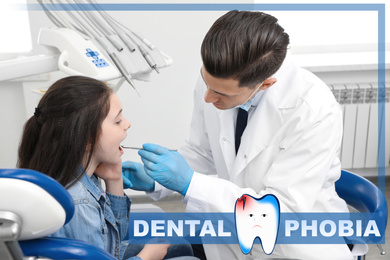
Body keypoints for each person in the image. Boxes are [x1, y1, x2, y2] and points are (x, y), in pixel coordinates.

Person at [122, 11, 356, 259]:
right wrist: (155, 179)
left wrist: (190, 183)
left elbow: (279, 213)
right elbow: (204, 151)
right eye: (206, 83)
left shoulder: (313, 111)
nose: (208, 98)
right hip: (231, 233)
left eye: (222, 94)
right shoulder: (220, 78)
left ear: (265, 84)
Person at [17, 76, 197, 260]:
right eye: (118, 121)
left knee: (178, 244)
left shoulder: (79, 175)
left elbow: (111, 239)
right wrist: (146, 258)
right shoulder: (80, 202)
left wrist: (114, 180)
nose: (127, 124)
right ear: (87, 139)